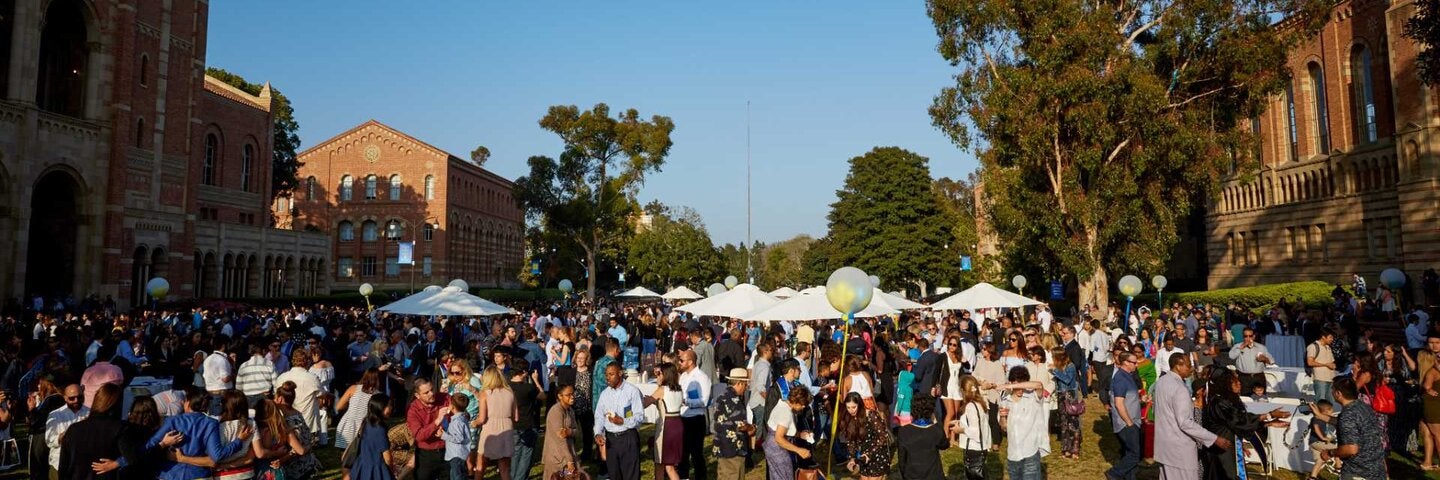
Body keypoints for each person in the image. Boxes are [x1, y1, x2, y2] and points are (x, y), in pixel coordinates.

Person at [147, 386, 254, 480]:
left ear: (187, 403)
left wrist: (163, 444)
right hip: (199, 474)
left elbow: (149, 446)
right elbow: (217, 455)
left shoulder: (172, 421)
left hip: (170, 474)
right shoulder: (211, 423)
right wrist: (238, 441)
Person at [1199, 369, 1289, 480]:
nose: (1239, 383)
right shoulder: (1218, 402)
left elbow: (1242, 425)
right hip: (1221, 451)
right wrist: (1269, 415)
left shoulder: (1229, 400)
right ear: (1224, 383)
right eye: (1234, 381)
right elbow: (1239, 420)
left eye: (1238, 380)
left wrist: (1269, 423)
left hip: (1230, 448)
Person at [1154, 353, 1227, 480]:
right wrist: (1214, 438)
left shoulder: (1161, 382)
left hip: (1164, 446)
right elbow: (1185, 423)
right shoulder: (1180, 389)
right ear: (1178, 366)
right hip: (1179, 450)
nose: (1191, 368)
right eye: (1188, 365)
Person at [57, 384, 139, 480]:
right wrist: (118, 463)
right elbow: (132, 458)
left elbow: (63, 466)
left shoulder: (73, 429)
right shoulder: (120, 428)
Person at [1316, 377, 1387, 479]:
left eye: (1332, 389)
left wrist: (1330, 453)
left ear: (1338, 394)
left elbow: (1351, 449)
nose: (1331, 392)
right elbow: (1345, 424)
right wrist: (1320, 415)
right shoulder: (1363, 406)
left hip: (1359, 472)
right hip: (1377, 468)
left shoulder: (1348, 415)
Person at [594, 362, 646, 480]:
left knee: (630, 476)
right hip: (611, 440)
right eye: (606, 374)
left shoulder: (632, 391)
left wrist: (622, 421)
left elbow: (639, 416)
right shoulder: (604, 394)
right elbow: (599, 416)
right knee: (614, 475)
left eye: (611, 374)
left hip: (628, 438)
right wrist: (598, 433)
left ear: (620, 373)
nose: (607, 377)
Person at [998, 367, 1049, 480]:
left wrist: (1011, 386)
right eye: (1017, 386)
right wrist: (1002, 417)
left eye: (1023, 385)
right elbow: (1004, 428)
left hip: (1030, 453)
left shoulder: (1033, 397)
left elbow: (1039, 385)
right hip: (1013, 456)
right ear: (1011, 381)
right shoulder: (1005, 400)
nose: (1020, 389)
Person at [272, 381, 322, 479]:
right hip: (308, 463)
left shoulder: (288, 421)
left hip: (297, 469)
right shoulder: (297, 413)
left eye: (275, 397)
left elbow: (298, 449)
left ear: (280, 399)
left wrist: (281, 460)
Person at [475, 366, 517, 480]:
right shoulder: (509, 392)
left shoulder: (485, 393)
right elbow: (516, 417)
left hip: (490, 429)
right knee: (504, 469)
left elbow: (482, 418)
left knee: (481, 466)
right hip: (507, 429)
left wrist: (473, 423)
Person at [1108, 352, 1144, 480]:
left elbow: (1128, 398)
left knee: (1129, 453)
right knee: (1135, 455)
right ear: (1126, 363)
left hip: (1132, 421)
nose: (1137, 364)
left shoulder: (1128, 376)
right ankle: (1114, 473)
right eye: (1134, 362)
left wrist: (1141, 399)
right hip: (1126, 423)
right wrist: (1129, 423)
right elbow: (1119, 403)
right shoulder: (1120, 379)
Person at [644, 362, 684, 480]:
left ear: (664, 374)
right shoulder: (678, 389)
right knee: (670, 465)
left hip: (666, 427)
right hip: (677, 424)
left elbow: (645, 403)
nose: (658, 376)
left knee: (660, 463)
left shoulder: (662, 389)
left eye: (659, 373)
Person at [763, 387, 813, 480]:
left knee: (777, 476)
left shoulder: (783, 404)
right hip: (777, 449)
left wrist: (799, 434)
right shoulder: (785, 413)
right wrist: (799, 450)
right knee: (784, 476)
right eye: (803, 404)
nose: (803, 407)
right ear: (796, 401)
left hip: (772, 447)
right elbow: (779, 438)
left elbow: (783, 429)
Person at [712, 367, 753, 480]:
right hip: (733, 449)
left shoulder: (721, 396)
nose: (746, 388)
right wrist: (751, 428)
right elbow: (741, 425)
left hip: (721, 445)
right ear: (739, 383)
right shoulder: (735, 401)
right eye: (745, 385)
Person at [675, 349, 710, 480]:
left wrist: (685, 401)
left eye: (682, 360)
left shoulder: (702, 377)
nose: (680, 363)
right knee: (682, 453)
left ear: (690, 362)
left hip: (695, 419)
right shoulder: (683, 376)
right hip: (682, 417)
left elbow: (704, 400)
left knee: (696, 454)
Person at [840, 391, 892, 480]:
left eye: (853, 407)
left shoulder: (871, 415)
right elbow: (851, 440)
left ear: (859, 405)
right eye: (848, 407)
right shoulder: (848, 418)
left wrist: (870, 453)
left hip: (878, 454)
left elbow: (883, 436)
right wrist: (852, 458)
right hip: (863, 457)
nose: (851, 410)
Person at [407, 378, 451, 480]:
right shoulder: (413, 410)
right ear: (417, 396)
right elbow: (419, 436)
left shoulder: (444, 398)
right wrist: (437, 421)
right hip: (426, 454)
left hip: (447, 450)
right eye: (426, 393)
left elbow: (460, 409)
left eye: (432, 389)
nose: (431, 393)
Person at [897, 393, 947, 480]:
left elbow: (902, 460)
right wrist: (936, 423)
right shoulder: (936, 430)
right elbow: (944, 445)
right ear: (931, 411)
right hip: (934, 475)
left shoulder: (904, 432)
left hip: (912, 474)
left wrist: (904, 475)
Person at [45, 383, 90, 477]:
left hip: (83, 465)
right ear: (65, 398)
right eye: (72, 398)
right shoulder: (55, 415)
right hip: (59, 464)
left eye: (80, 397)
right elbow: (49, 441)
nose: (76, 400)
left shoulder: (90, 413)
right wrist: (63, 436)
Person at [508, 359, 542, 480]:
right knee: (526, 455)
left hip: (512, 424)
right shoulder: (528, 388)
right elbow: (542, 396)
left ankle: (513, 476)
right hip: (527, 424)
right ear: (523, 372)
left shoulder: (507, 386)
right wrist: (536, 381)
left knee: (515, 453)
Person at [349, 393, 397, 480]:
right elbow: (387, 458)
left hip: (363, 466)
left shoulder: (366, 422)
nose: (391, 408)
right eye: (388, 405)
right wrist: (392, 470)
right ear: (380, 407)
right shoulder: (379, 429)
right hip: (377, 470)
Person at [276, 347, 321, 435]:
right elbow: (321, 395)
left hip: (285, 424)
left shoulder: (281, 377)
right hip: (307, 425)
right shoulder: (312, 378)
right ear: (308, 361)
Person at [336, 367, 383, 449]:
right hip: (363, 429)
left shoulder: (353, 388)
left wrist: (351, 405)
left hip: (347, 426)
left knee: (345, 457)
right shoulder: (378, 395)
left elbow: (339, 406)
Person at [956, 375, 992, 480]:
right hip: (980, 447)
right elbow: (978, 424)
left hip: (974, 448)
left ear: (963, 390)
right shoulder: (980, 403)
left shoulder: (970, 407)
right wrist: (960, 422)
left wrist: (960, 430)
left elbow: (975, 431)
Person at [542, 384, 580, 480]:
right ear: (560, 396)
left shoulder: (570, 410)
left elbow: (576, 431)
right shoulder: (556, 412)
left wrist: (569, 432)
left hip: (569, 454)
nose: (572, 397)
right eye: (568, 395)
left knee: (571, 477)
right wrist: (570, 461)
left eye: (573, 394)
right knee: (559, 477)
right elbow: (560, 439)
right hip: (557, 458)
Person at [1051, 346, 1082, 459]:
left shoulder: (1070, 366)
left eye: (1053, 356)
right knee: (1064, 423)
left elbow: (1068, 380)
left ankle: (1075, 449)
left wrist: (1055, 371)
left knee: (1073, 423)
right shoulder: (1059, 367)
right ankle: (1066, 449)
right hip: (1061, 396)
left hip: (1070, 396)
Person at [1228, 328, 1272, 393]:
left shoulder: (1261, 347)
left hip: (1258, 377)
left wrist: (1264, 359)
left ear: (1254, 336)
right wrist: (1242, 347)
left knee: (1261, 400)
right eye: (1246, 336)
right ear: (1243, 337)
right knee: (1245, 399)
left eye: (1250, 336)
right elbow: (1231, 356)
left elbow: (1271, 361)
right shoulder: (1238, 346)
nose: (1248, 338)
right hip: (1243, 377)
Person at [440, 393, 473, 480]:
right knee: (456, 475)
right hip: (458, 453)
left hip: (456, 454)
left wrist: (443, 435)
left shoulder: (457, 421)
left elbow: (458, 438)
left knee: (457, 476)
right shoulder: (461, 418)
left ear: (452, 406)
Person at [1307, 400, 1339, 480]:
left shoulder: (1321, 418)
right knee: (1337, 450)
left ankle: (1312, 477)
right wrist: (1323, 438)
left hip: (1314, 443)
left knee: (1320, 461)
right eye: (1331, 410)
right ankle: (1338, 467)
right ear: (1325, 411)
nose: (1333, 411)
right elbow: (1316, 428)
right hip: (1317, 442)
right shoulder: (1316, 418)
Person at [1306, 328, 1337, 405]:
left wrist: (1332, 365)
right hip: (1320, 378)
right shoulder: (1313, 346)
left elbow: (1331, 362)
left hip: (1330, 378)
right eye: (1330, 337)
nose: (1332, 339)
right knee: (1320, 400)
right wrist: (1326, 364)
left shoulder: (1328, 347)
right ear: (1323, 337)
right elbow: (1310, 362)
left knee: (1331, 401)